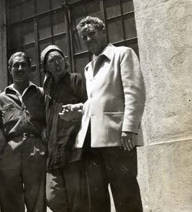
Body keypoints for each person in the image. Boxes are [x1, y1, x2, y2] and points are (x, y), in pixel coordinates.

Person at [62, 16, 145, 211]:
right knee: (97, 199)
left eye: (91, 34)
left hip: (118, 139)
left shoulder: (122, 54)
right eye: (84, 37)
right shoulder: (88, 67)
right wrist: (79, 108)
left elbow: (134, 93)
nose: (88, 39)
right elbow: (97, 100)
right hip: (92, 142)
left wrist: (130, 129)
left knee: (126, 195)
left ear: (103, 31)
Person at [0, 52, 46, 212]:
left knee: (37, 200)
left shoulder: (40, 93)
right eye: (15, 65)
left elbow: (48, 121)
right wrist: (3, 151)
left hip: (35, 149)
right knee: (10, 200)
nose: (19, 68)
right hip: (10, 150)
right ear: (10, 69)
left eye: (23, 65)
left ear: (30, 68)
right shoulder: (1, 98)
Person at [40, 45, 87, 212]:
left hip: (73, 151)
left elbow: (88, 109)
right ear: (46, 67)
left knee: (77, 202)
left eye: (59, 59)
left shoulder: (76, 80)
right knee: (52, 197)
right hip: (53, 154)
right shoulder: (46, 90)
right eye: (52, 61)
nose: (57, 63)